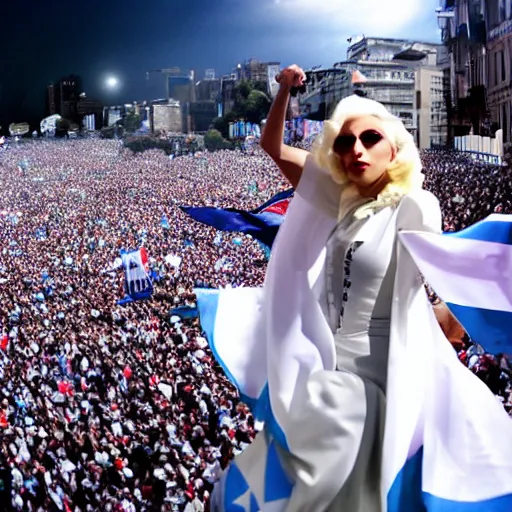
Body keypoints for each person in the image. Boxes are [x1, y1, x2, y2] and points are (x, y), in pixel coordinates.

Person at [205, 65, 512, 511]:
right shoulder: (336, 197)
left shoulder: (414, 205)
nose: (357, 151)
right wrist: (283, 90)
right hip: (326, 361)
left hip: (380, 373)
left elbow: (439, 265)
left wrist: (453, 310)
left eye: (371, 139)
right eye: (345, 143)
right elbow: (271, 146)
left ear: (396, 149)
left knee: (332, 458)